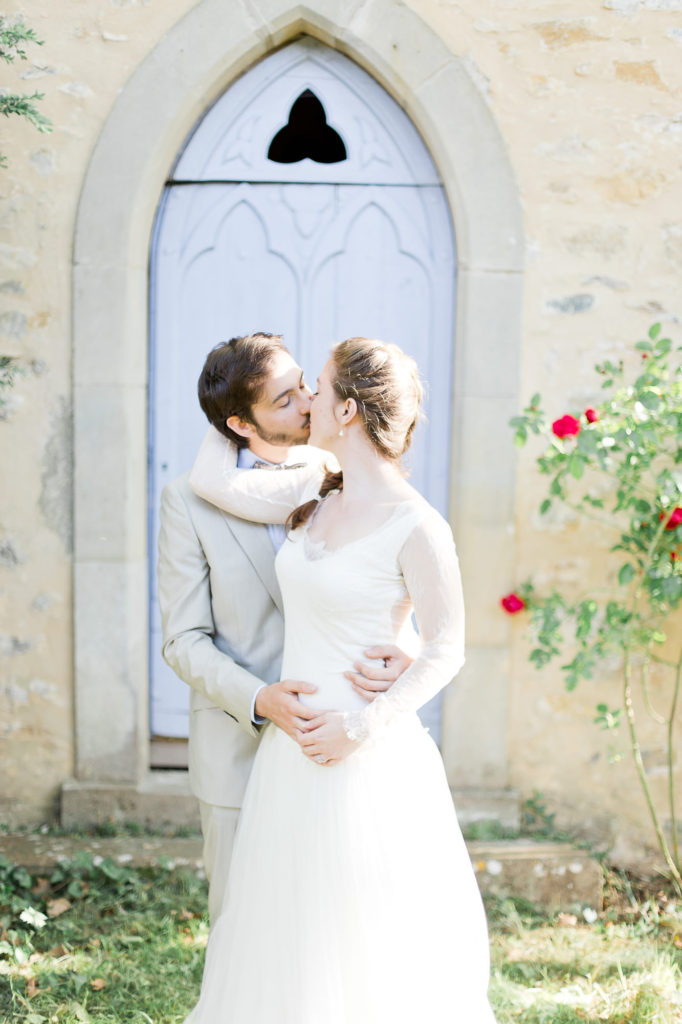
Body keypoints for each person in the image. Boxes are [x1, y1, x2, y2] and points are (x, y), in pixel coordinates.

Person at [185, 337, 497, 1023]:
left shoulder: (418, 524)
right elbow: (213, 482)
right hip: (288, 753)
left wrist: (361, 725)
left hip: (365, 754)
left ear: (349, 409)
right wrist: (227, 420)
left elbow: (449, 646)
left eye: (317, 388)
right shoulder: (315, 492)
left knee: (364, 931)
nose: (306, 402)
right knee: (285, 929)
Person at [157, 332, 411, 928]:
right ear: (241, 425)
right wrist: (258, 698)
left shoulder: (340, 476)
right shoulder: (188, 503)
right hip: (238, 746)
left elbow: (392, 586)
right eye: (285, 399)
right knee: (242, 929)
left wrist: (406, 650)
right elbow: (182, 638)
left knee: (335, 926)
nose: (308, 402)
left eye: (304, 384)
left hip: (337, 738)